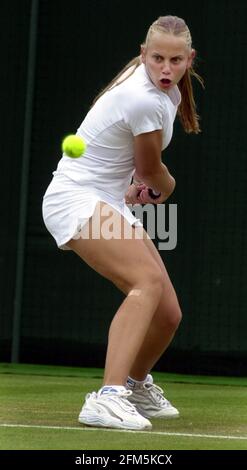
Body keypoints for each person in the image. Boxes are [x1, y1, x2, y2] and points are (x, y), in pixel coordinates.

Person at [42, 15, 203, 431]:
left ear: (190, 60)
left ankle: (133, 385)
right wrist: (162, 185)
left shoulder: (158, 91)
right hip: (74, 199)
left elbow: (129, 166)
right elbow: (153, 175)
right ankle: (108, 396)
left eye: (175, 60)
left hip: (107, 197)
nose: (165, 69)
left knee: (168, 313)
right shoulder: (143, 98)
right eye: (156, 59)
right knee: (145, 283)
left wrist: (130, 186)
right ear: (141, 55)